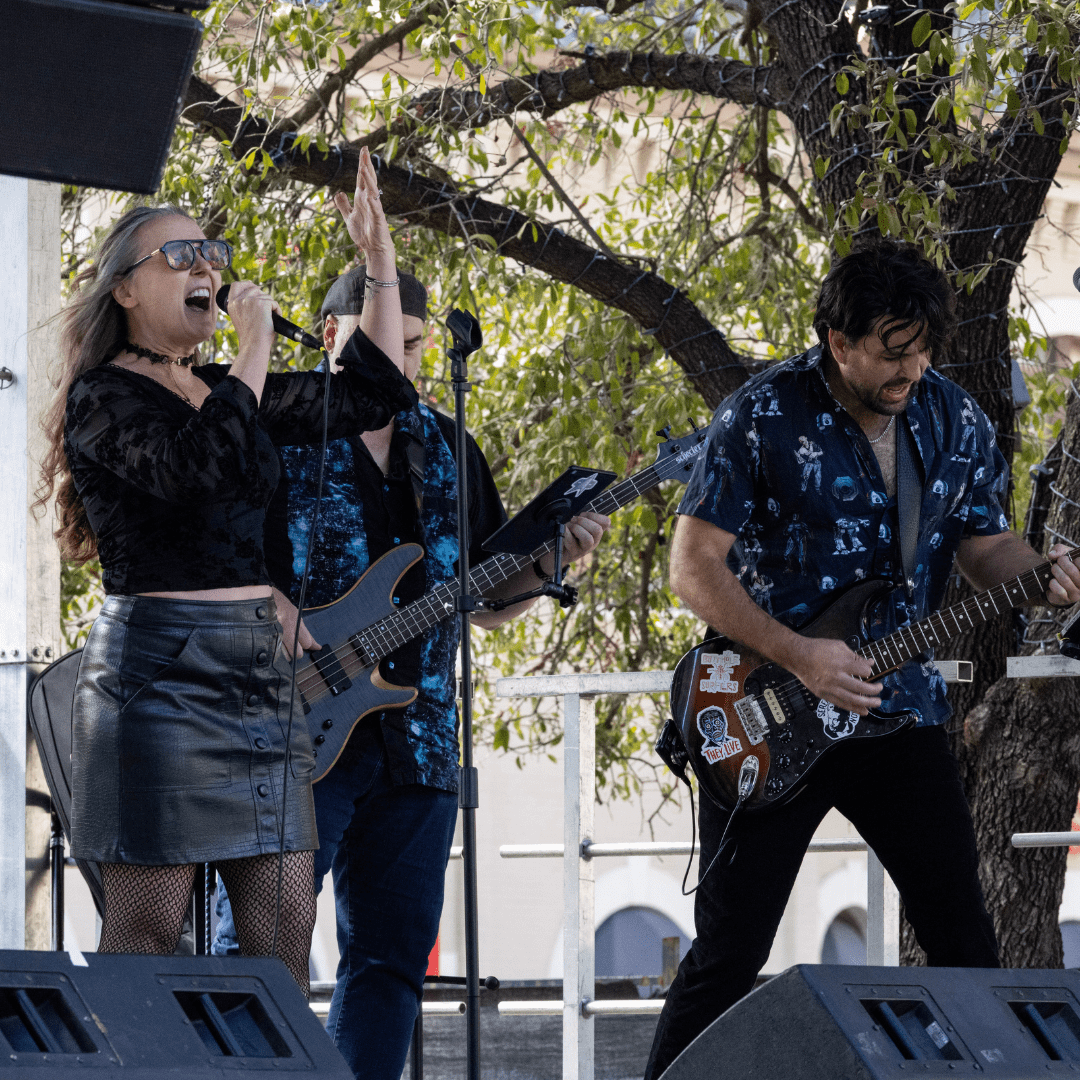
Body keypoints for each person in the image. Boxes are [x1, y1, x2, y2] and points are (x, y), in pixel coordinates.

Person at [644, 241, 1080, 1079]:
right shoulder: (763, 414)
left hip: (898, 711)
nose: (910, 367)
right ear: (838, 341)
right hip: (766, 715)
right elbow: (691, 569)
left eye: (921, 348)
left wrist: (1041, 577)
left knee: (965, 941)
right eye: (891, 348)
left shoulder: (953, 417)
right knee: (731, 951)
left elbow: (983, 546)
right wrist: (799, 654)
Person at [212, 262, 609, 1076]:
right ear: (332, 337)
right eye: (394, 340)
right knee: (252, 947)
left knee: (391, 961)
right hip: (296, 725)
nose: (410, 359)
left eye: (420, 344)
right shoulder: (281, 430)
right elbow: (215, 558)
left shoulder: (449, 444)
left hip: (419, 736)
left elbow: (484, 599)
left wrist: (547, 564)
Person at [39, 147, 417, 995]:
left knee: (284, 924)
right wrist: (251, 348)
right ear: (126, 290)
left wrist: (378, 268)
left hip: (257, 672)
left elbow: (373, 396)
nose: (206, 265)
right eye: (181, 254)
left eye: (212, 251)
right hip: (160, 676)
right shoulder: (103, 397)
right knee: (149, 924)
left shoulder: (216, 386)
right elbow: (196, 466)